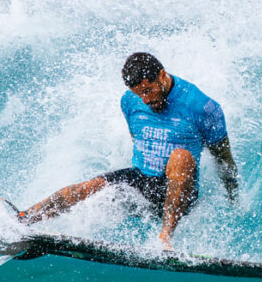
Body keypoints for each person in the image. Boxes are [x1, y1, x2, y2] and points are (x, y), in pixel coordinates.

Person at [18, 52, 238, 249]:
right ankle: (23, 219)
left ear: (162, 75)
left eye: (148, 91)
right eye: (138, 94)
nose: (146, 99)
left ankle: (165, 240)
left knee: (180, 157)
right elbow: (137, 139)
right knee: (89, 187)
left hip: (180, 191)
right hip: (141, 182)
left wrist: (233, 201)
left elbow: (224, 160)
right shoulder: (129, 101)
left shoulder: (201, 106)